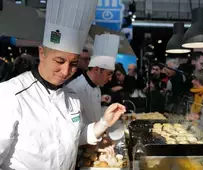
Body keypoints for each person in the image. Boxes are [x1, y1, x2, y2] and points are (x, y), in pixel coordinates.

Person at [0, 1, 125, 169]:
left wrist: (104, 122)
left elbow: (73, 138)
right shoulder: (10, 94)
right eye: (59, 61)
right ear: (42, 53)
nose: (66, 71)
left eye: (74, 63)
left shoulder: (71, 96)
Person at [67, 34, 120, 125]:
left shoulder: (97, 88)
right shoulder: (74, 89)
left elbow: (95, 116)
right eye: (109, 74)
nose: (110, 79)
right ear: (96, 69)